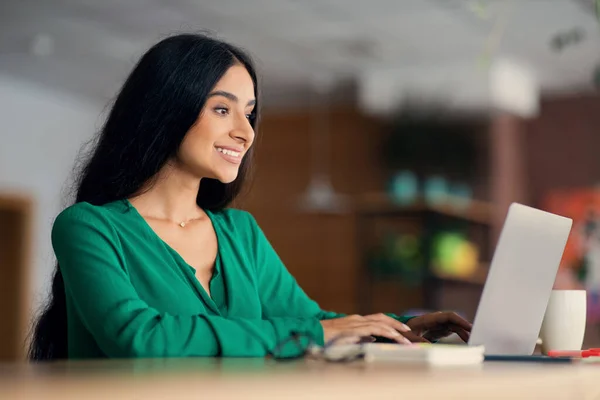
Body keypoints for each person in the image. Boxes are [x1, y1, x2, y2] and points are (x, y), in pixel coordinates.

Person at [29, 33, 472, 360]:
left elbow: (310, 321)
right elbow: (139, 340)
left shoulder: (240, 232)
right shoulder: (88, 227)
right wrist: (316, 335)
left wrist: (400, 327)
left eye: (250, 112)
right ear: (167, 109)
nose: (245, 132)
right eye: (222, 109)